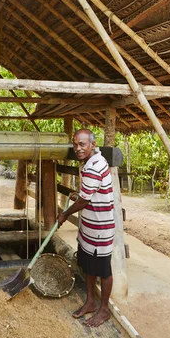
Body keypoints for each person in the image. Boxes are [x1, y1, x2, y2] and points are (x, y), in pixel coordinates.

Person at [57, 128, 114, 327]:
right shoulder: (89, 163)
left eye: (82, 144)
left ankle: (104, 309)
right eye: (75, 145)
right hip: (89, 226)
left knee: (103, 270)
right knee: (89, 265)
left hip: (100, 228)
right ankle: (90, 302)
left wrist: (64, 214)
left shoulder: (94, 165)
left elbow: (83, 201)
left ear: (92, 144)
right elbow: (87, 194)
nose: (78, 148)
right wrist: (79, 195)